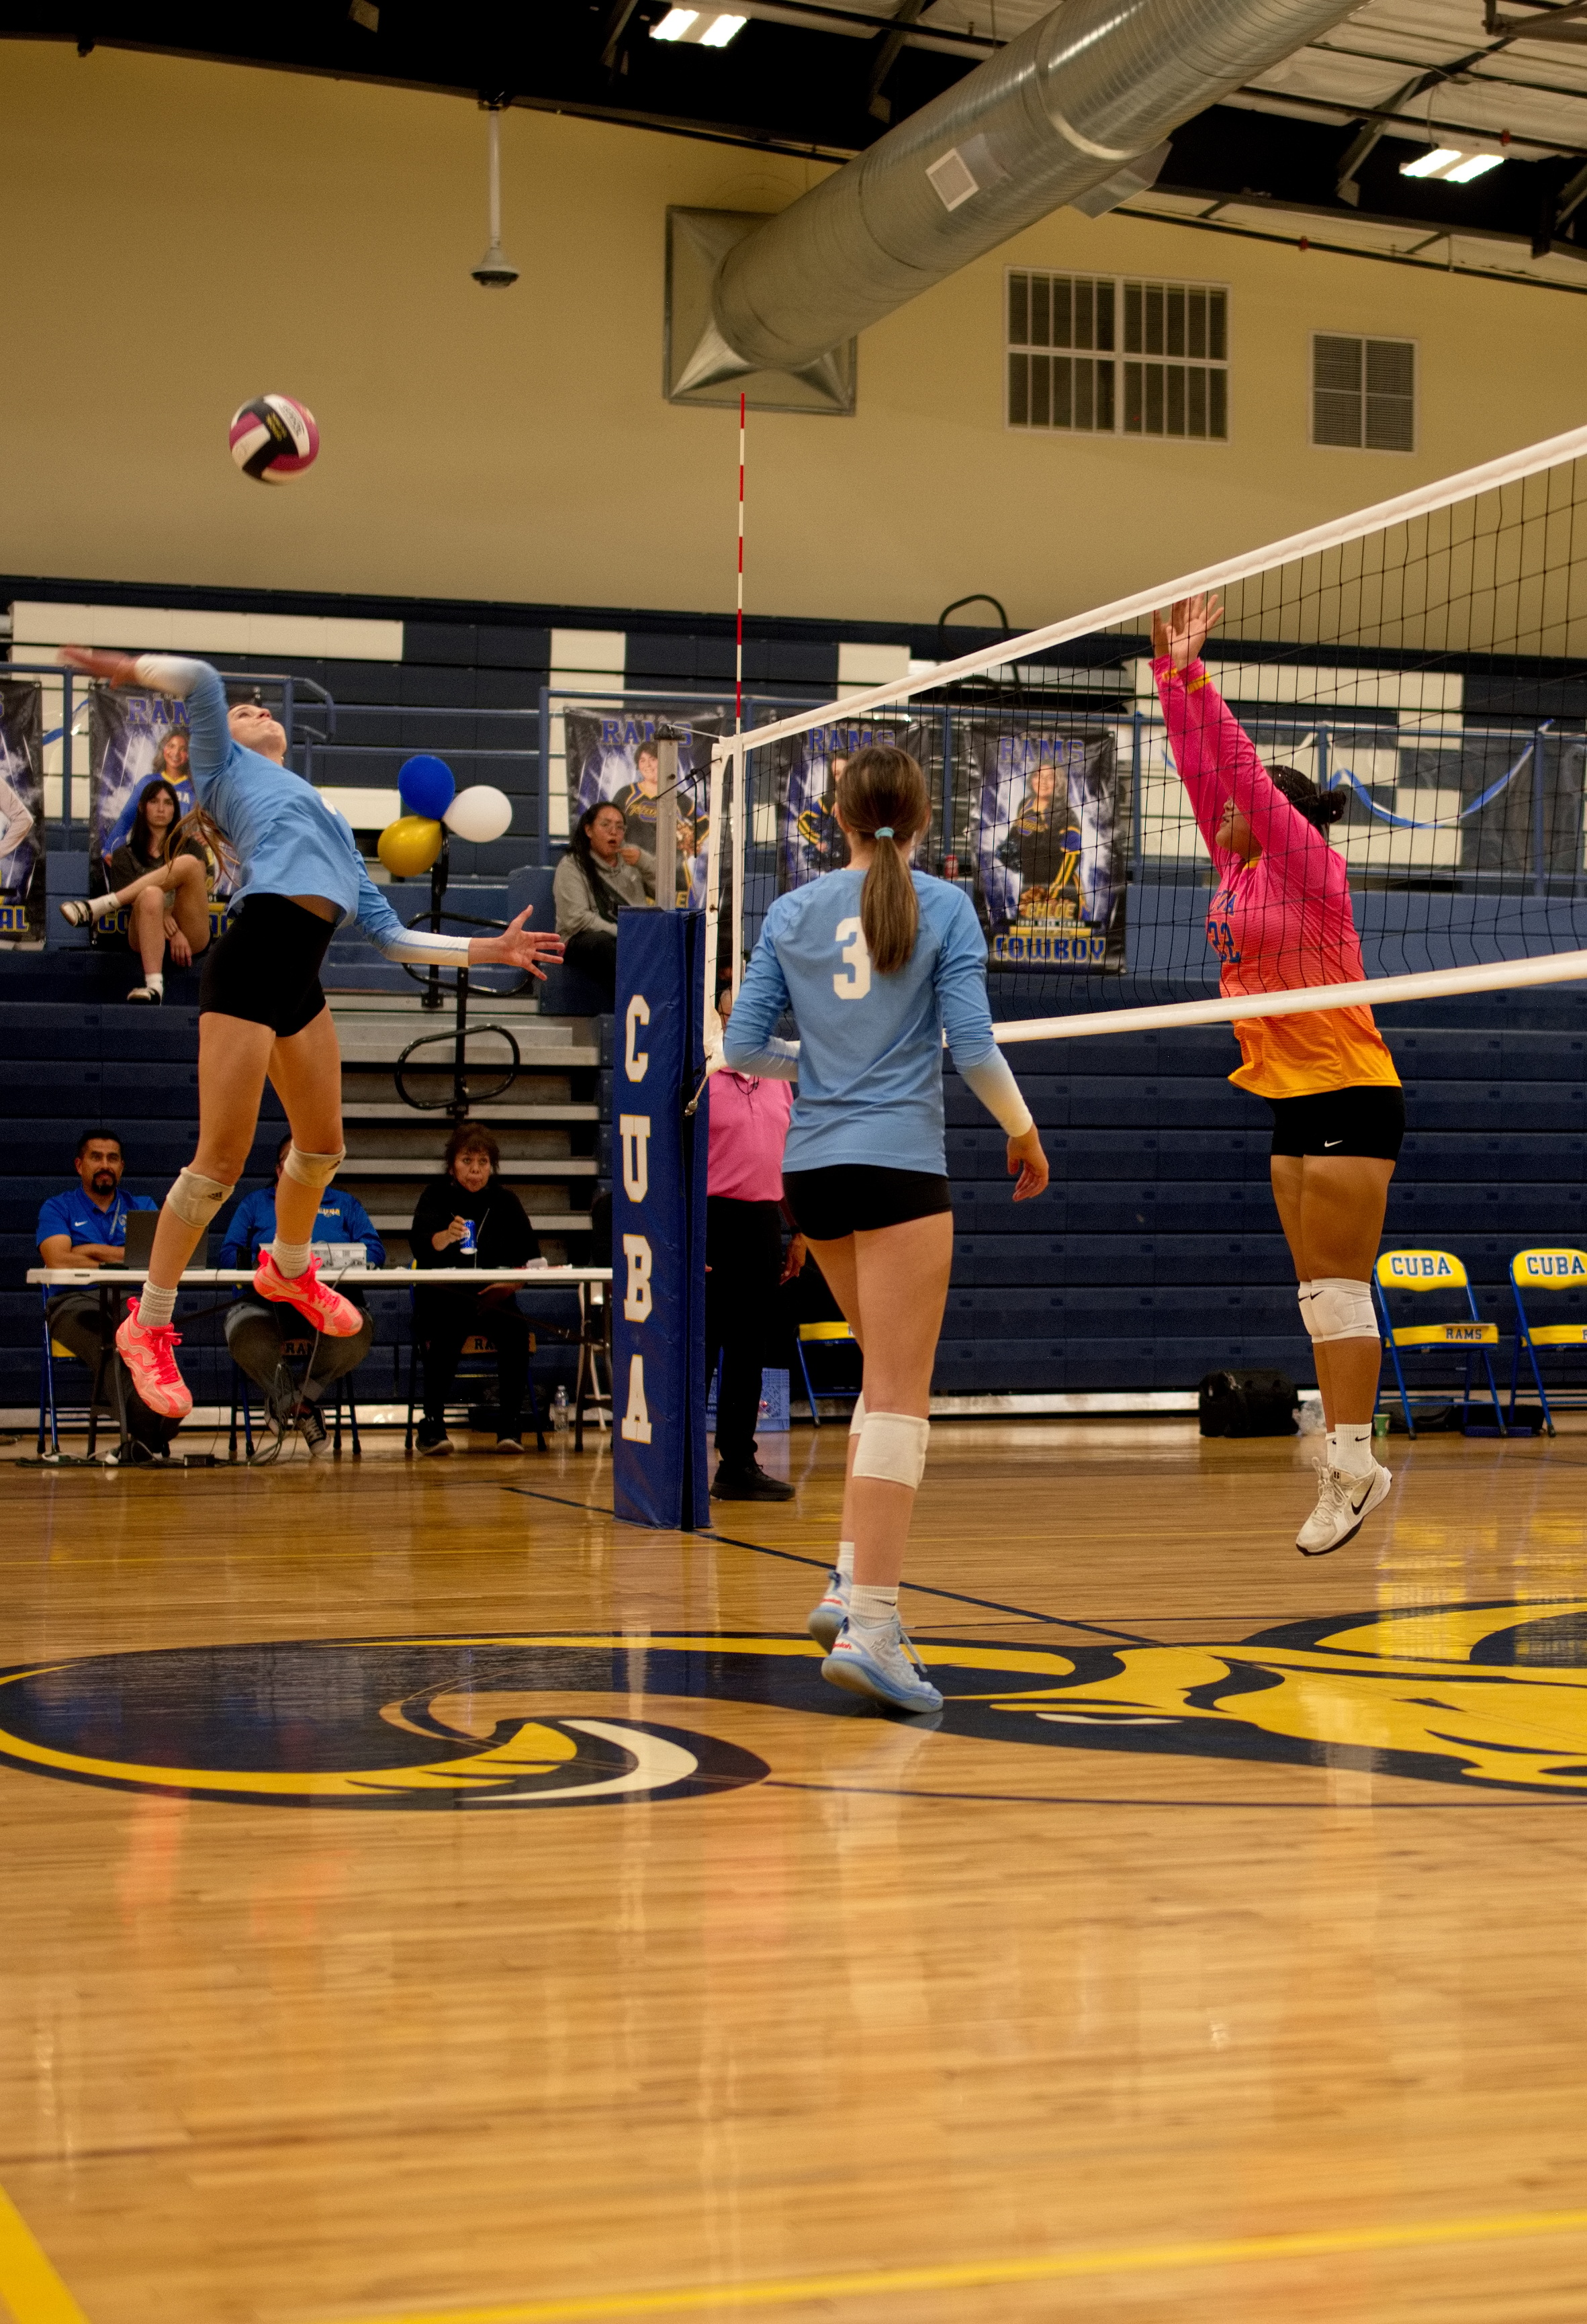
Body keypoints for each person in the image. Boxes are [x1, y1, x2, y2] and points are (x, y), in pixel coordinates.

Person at [53, 647, 563, 1430]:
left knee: (322, 1147)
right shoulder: (224, 771)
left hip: (301, 974)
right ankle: (147, 1322)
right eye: (249, 712)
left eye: (264, 711)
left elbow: (391, 935)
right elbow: (201, 682)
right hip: (253, 957)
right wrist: (127, 669)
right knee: (220, 1163)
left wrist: (483, 953)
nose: (258, 712)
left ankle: (290, 1269)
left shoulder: (325, 813)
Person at [724, 744, 1048, 1713]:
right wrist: (1024, 1134)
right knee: (902, 1399)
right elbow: (975, 1048)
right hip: (898, 1166)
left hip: (811, 1171)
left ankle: (842, 1579)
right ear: (917, 818)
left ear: (835, 813)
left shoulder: (790, 910)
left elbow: (740, 1049)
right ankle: (870, 1621)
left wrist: (816, 1073)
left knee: (879, 1380)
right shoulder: (944, 904)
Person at [1153, 593, 1403, 1556]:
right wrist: (1170, 677)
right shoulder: (1234, 866)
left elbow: (1238, 772)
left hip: (1347, 1085)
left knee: (1339, 1289)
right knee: (1313, 1293)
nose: (1219, 807)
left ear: (1279, 815)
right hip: (1288, 1095)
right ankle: (1345, 1453)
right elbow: (1196, 766)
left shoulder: (1304, 866)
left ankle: (1352, 1460)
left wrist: (1202, 677)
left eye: (1239, 804)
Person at [218, 1133, 386, 1458]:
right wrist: (260, 1267)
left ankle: (294, 1403)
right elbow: (228, 1254)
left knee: (356, 1332)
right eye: (292, 1161)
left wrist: (342, 1259)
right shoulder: (255, 1204)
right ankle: (302, 1408)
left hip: (330, 1305)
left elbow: (375, 1250)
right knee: (243, 1334)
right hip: (265, 1305)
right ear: (280, 1170)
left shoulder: (345, 1204)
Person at [706, 979, 807, 1503]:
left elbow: (784, 1159)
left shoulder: (777, 1077)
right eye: (734, 1012)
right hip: (710, 1222)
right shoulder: (702, 1077)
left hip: (763, 1222)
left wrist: (798, 1231)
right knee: (701, 1345)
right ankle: (674, 1460)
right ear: (718, 1019)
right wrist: (688, 1236)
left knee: (748, 1349)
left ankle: (737, 1464)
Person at [36, 1131, 176, 1460]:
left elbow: (158, 1258)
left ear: (122, 1167)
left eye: (112, 1158)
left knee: (154, 1347)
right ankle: (150, 1430)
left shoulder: (142, 1207)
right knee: (112, 1345)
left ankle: (151, 1431)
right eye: (96, 1157)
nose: (105, 1165)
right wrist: (123, 1254)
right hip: (71, 1305)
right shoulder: (58, 1207)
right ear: (79, 1165)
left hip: (131, 1302)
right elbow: (57, 1259)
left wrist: (89, 1250)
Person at [411, 1122, 540, 1455]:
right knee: (446, 1331)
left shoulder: (505, 1201)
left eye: (483, 1163)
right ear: (452, 1164)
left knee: (515, 1332)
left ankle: (510, 1425)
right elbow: (420, 1247)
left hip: (492, 1298)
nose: (475, 1171)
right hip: (446, 1297)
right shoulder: (434, 1196)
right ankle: (432, 1426)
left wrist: (514, 1282)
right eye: (467, 1161)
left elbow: (532, 1259)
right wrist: (444, 1237)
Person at [105, 776, 212, 1005]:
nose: (162, 809)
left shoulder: (192, 848)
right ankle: (154, 987)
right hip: (144, 928)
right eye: (154, 802)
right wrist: (167, 924)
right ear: (142, 808)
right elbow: (135, 902)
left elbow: (197, 896)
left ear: (176, 809)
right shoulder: (124, 855)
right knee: (151, 894)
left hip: (190, 929)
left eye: (168, 803)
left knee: (189, 866)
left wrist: (177, 927)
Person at [553, 798, 655, 1001]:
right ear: (589, 831)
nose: (614, 832)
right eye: (606, 825)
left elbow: (669, 891)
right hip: (581, 941)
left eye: (620, 827)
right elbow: (577, 919)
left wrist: (644, 862)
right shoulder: (572, 866)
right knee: (608, 946)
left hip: (631, 937)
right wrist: (624, 934)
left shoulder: (633, 862)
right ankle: (634, 1006)